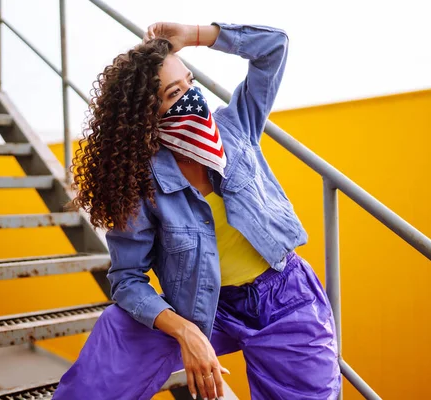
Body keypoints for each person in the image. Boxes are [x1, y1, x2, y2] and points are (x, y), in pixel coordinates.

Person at [54, 22, 341, 400]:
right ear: (146, 118)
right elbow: (127, 280)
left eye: (190, 82)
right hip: (203, 304)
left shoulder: (235, 128)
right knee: (116, 333)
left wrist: (194, 36)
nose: (193, 98)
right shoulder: (141, 182)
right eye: (175, 93)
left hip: (283, 298)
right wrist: (185, 331)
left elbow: (274, 48)